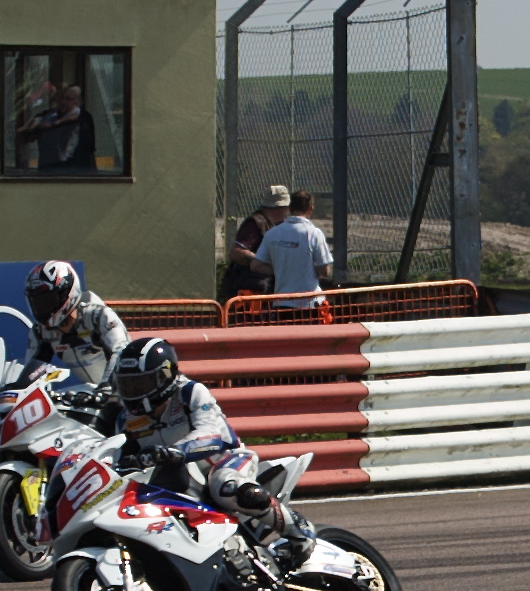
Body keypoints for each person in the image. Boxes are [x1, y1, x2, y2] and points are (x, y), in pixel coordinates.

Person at [111, 338, 314, 564]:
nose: (134, 392)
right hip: (174, 478)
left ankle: (298, 531)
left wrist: (175, 451)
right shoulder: (125, 419)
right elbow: (120, 455)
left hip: (224, 460)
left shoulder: (190, 393)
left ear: (165, 377)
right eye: (128, 385)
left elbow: (210, 434)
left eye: (141, 384)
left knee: (227, 488)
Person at [21, 260, 128, 390]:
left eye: (47, 300)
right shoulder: (40, 332)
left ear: (67, 294)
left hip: (122, 392)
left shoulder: (98, 317)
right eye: (37, 302)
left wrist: (107, 386)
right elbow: (31, 374)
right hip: (89, 393)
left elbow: (121, 352)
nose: (42, 308)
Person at [252, 190, 334, 310]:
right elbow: (325, 271)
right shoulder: (314, 233)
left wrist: (279, 269)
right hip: (309, 303)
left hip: (281, 303)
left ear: (290, 208)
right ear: (310, 209)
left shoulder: (272, 233)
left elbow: (256, 265)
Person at [222, 186, 290, 300]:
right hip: (252, 292)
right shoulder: (255, 223)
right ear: (280, 207)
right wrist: (263, 263)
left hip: (265, 289)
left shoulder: (275, 224)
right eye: (287, 207)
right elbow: (237, 253)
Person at [17, 83, 96, 171]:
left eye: (68, 99)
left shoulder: (82, 117)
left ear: (78, 102)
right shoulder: (48, 115)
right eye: (62, 97)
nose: (63, 102)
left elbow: (89, 148)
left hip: (69, 168)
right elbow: (30, 131)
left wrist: (52, 125)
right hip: (47, 167)